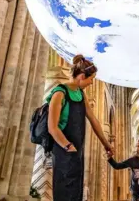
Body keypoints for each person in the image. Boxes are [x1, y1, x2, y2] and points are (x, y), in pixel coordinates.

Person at [48, 54, 114, 201]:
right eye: (91, 79)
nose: (91, 83)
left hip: (77, 152)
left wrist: (106, 143)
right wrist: (68, 147)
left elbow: (93, 120)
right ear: (82, 76)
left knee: (76, 193)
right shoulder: (60, 93)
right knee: (64, 193)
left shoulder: (80, 94)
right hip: (64, 152)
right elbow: (52, 128)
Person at [107, 134, 139, 201]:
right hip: (136, 196)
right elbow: (117, 166)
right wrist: (110, 158)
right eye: (138, 141)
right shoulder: (133, 160)